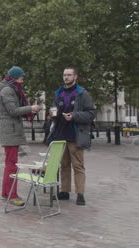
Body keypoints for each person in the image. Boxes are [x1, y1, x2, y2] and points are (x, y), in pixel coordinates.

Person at [50, 67, 95, 205]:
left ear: (75, 77)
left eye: (69, 75)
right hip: (60, 134)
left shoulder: (82, 94)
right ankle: (64, 191)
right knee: (63, 165)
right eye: (64, 75)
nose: (66, 77)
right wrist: (53, 114)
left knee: (78, 166)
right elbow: (54, 109)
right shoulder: (58, 93)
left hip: (75, 135)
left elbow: (91, 114)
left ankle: (80, 194)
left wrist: (74, 116)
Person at [0, 66, 40, 206]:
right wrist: (30, 108)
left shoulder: (10, 88)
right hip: (10, 131)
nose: (23, 79)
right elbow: (13, 111)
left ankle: (5, 192)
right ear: (15, 77)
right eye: (21, 77)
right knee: (12, 165)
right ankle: (12, 195)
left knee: (10, 163)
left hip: (11, 130)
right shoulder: (8, 90)